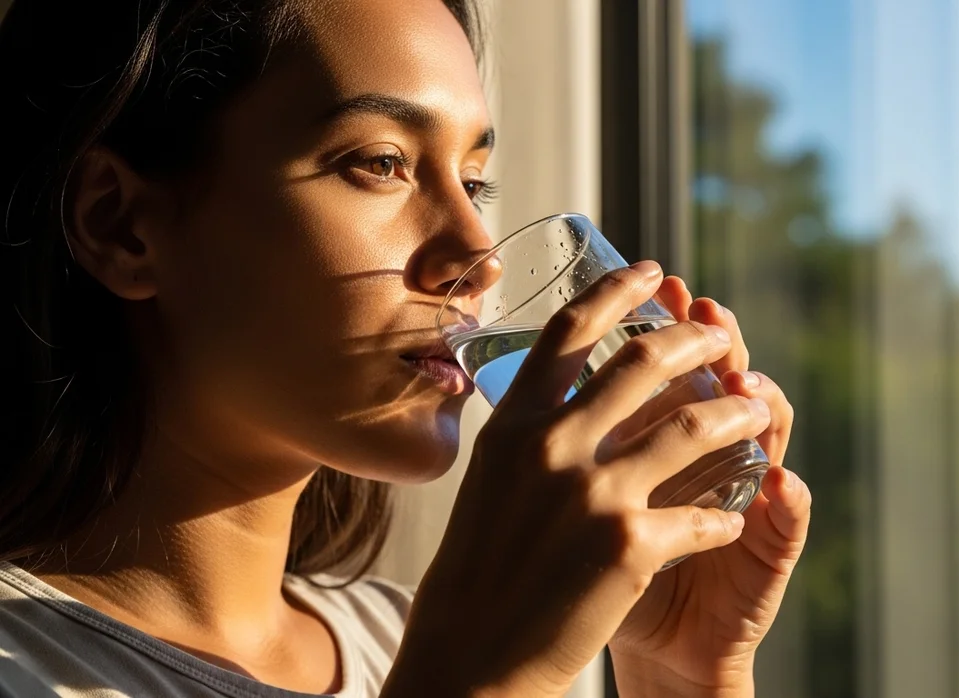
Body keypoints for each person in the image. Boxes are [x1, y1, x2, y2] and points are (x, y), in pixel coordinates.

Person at [0, 0, 811, 696]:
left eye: (474, 183)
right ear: (121, 225)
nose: (480, 256)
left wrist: (674, 676)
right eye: (381, 163)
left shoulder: (399, 637)